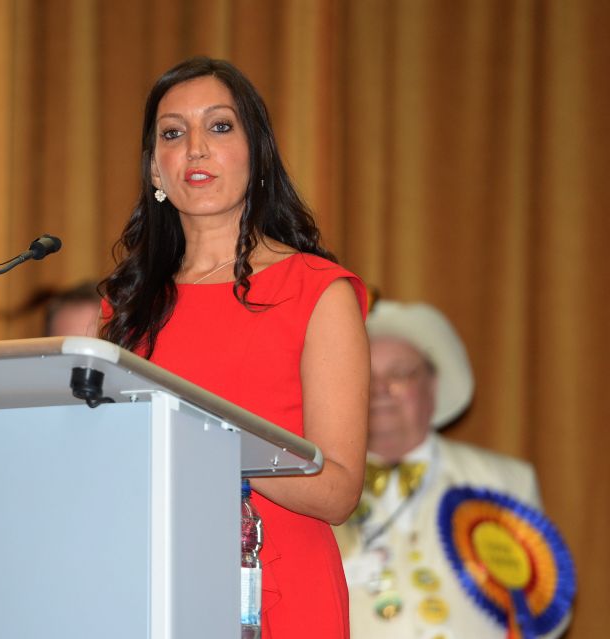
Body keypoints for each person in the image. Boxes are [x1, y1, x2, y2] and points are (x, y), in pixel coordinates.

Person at [100, 57, 369, 637]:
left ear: (258, 153)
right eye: (173, 133)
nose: (195, 148)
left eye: (219, 127)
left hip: (279, 593)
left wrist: (208, 437)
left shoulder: (316, 292)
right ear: (154, 168)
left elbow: (339, 491)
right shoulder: (123, 306)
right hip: (149, 591)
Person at [333, 300, 570, 637]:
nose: (381, 389)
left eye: (400, 373)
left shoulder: (507, 481)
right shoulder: (316, 488)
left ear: (433, 386)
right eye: (366, 375)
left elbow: (545, 610)